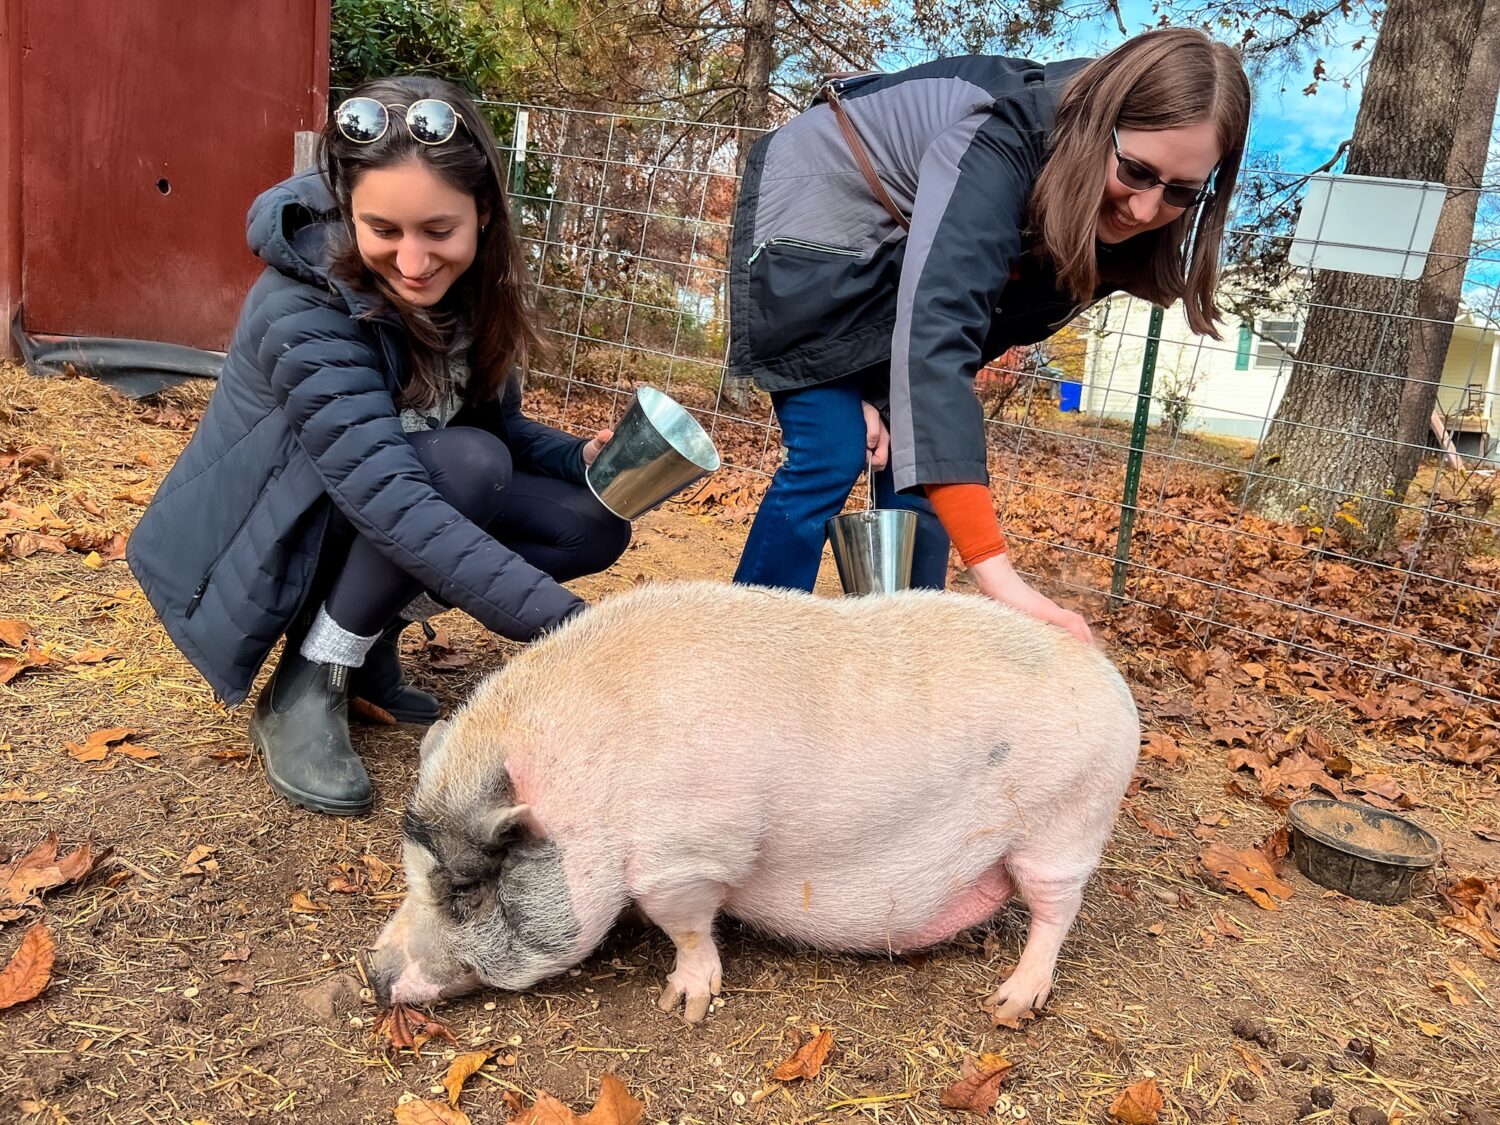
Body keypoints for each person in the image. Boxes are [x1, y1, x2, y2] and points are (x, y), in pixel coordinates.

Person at [128, 76, 630, 816]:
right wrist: (582, 632)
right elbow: (389, 494)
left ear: (483, 214)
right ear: (348, 210)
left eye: (438, 230)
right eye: (384, 231)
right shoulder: (302, 305)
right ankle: (310, 671)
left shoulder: (468, 292)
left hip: (383, 505)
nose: (414, 260)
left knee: (591, 520)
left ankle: (365, 637)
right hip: (276, 536)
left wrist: (573, 458)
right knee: (466, 468)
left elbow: (490, 424)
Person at [726, 28, 1250, 641]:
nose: (1143, 210)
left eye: (1182, 191)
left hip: (895, 277)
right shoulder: (1004, 132)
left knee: (917, 474)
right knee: (831, 450)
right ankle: (743, 653)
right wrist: (998, 579)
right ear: (1101, 126)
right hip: (818, 221)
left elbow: (983, 325)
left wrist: (887, 397)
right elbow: (940, 324)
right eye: (1136, 171)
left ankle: (912, 670)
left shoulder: (1118, 211)